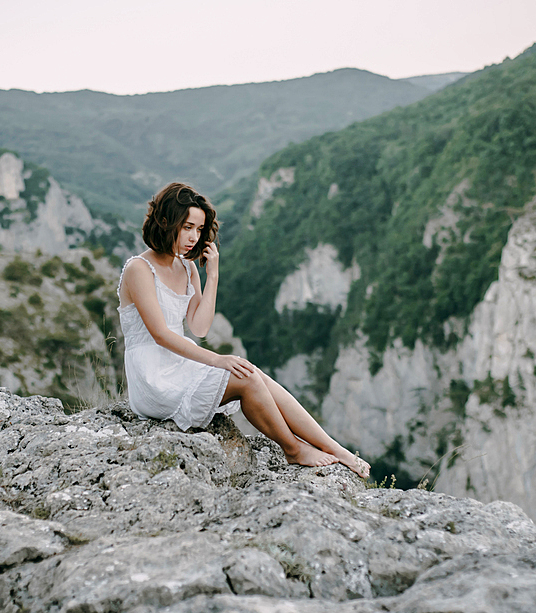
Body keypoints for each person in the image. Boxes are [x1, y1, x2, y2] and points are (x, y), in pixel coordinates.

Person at [117, 182, 369, 478]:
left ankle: (333, 447)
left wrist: (213, 275)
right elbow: (160, 334)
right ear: (164, 221)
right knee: (245, 380)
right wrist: (218, 360)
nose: (193, 237)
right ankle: (293, 449)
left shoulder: (185, 268)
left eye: (199, 230)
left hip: (181, 364)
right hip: (154, 377)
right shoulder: (138, 269)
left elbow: (199, 326)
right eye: (187, 227)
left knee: (252, 372)